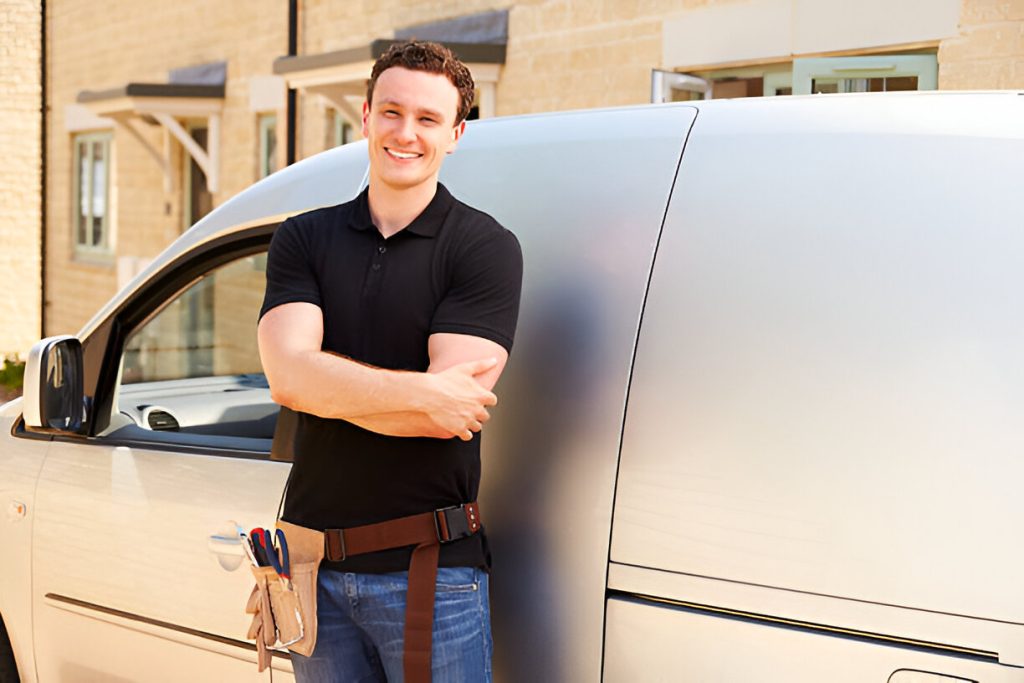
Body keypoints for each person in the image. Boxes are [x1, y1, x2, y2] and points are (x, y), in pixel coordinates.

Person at [257, 40, 523, 683]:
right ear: (367, 115)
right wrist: (418, 393)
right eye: (392, 112)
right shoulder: (304, 237)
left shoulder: (484, 248)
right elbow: (287, 378)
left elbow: (446, 417)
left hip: (432, 574)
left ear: (456, 134)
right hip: (311, 569)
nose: (407, 134)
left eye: (429, 120)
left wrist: (324, 384)